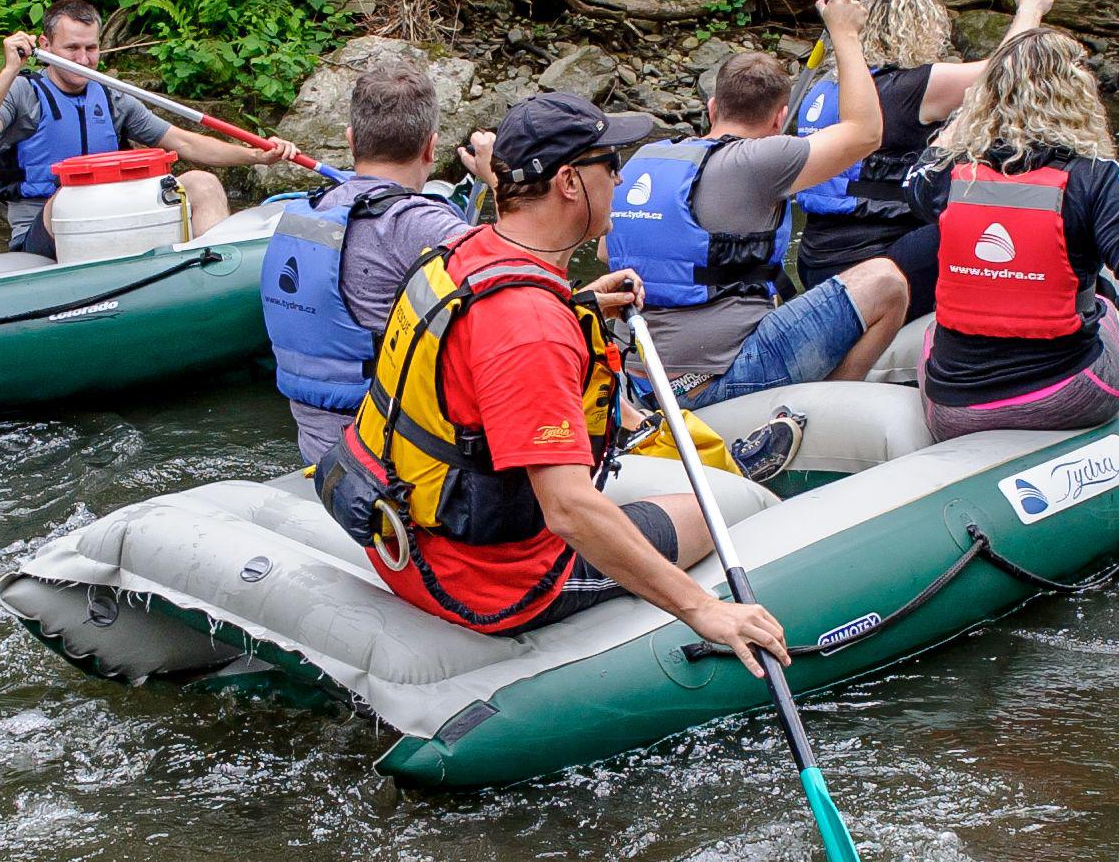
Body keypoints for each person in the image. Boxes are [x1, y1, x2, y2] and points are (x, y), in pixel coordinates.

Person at [315, 91, 790, 658]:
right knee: (718, 509)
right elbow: (566, 507)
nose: (619, 179)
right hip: (491, 583)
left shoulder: (460, 251)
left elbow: (479, 346)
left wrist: (579, 305)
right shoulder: (530, 325)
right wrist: (704, 610)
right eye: (610, 166)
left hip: (402, 540)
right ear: (570, 182)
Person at [886, 30, 1119, 440]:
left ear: (987, 97)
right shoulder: (1096, 177)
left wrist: (972, 119)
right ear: (1077, 91)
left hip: (953, 408)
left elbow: (919, 177)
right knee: (1105, 304)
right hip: (1066, 396)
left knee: (933, 332)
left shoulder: (945, 177)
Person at [605, 0, 909, 409]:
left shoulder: (648, 159)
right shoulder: (762, 158)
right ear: (779, 120)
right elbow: (865, 133)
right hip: (715, 381)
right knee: (886, 281)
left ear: (712, 107)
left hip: (638, 376)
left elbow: (608, 250)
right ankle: (828, 413)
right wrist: (845, 34)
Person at [258, 57, 486, 468]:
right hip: (393, 455)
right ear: (430, 147)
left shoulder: (306, 212)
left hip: (317, 445)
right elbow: (520, 287)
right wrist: (501, 184)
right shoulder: (421, 223)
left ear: (351, 140)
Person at [787, 0, 1057, 291]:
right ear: (923, 29)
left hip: (815, 261)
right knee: (1001, 216)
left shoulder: (823, 90)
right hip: (874, 262)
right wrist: (1031, 8)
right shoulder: (911, 87)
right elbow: (1009, 69)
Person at [0, 0, 248, 255]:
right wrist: (10, 70)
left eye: (91, 48)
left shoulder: (112, 96)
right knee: (67, 201)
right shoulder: (24, 93)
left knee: (203, 183)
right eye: (72, 48)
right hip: (45, 227)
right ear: (46, 46)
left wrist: (257, 156)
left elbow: (185, 143)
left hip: (112, 218)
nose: (84, 59)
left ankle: (216, 271)